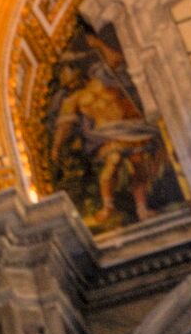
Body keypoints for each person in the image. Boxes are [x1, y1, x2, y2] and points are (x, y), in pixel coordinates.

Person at [49, 61, 165, 230]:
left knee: (139, 165)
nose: (67, 78)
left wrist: (97, 43)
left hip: (131, 127)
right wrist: (56, 146)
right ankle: (107, 206)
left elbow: (121, 67)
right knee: (113, 161)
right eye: (63, 76)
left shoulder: (104, 78)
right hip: (106, 134)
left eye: (68, 71)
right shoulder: (72, 100)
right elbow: (64, 126)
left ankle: (142, 208)